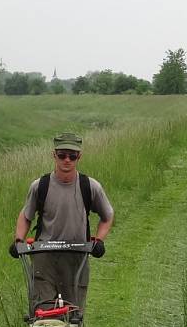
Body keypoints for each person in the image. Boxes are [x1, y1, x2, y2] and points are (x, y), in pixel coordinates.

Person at [10, 132, 114, 316]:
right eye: (62, 155)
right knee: (42, 313)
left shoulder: (90, 186)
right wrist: (19, 239)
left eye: (72, 156)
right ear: (54, 155)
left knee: (74, 314)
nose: (67, 160)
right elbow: (26, 215)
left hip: (76, 259)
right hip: (44, 257)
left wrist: (99, 240)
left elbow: (107, 216)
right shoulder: (40, 186)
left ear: (79, 157)